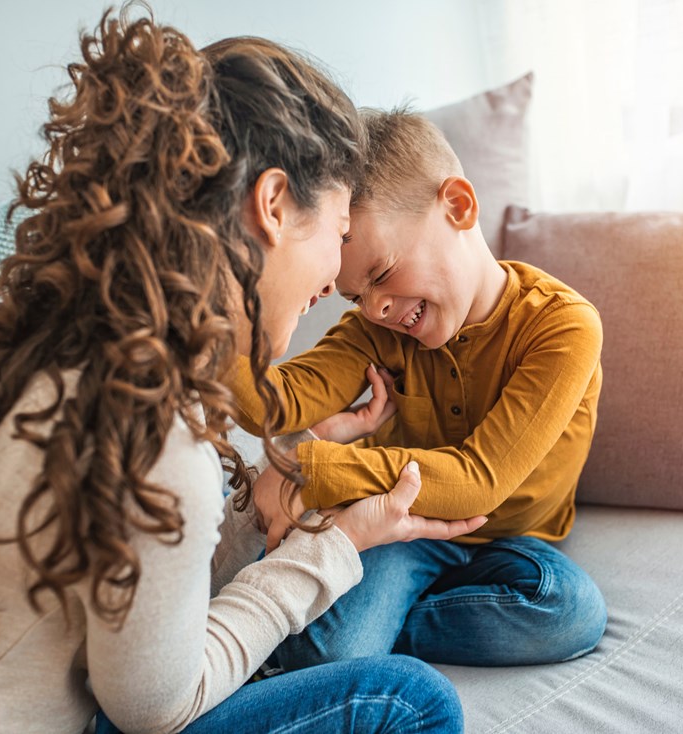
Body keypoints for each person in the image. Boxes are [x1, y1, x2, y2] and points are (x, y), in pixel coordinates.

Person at [0, 10, 486, 733]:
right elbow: (154, 706)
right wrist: (336, 547)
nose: (334, 280)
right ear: (271, 204)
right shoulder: (153, 430)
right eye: (339, 233)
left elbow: (138, 581)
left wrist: (288, 464)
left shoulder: (54, 341)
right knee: (410, 703)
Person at [230, 108, 608, 671]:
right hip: (400, 526)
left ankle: (384, 625)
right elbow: (275, 400)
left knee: (567, 610)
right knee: (332, 653)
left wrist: (310, 472)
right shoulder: (376, 330)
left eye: (381, 274)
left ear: (458, 206)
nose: (376, 309)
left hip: (511, 538)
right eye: (356, 296)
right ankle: (361, 625)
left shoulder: (561, 326)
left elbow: (477, 482)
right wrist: (202, 315)